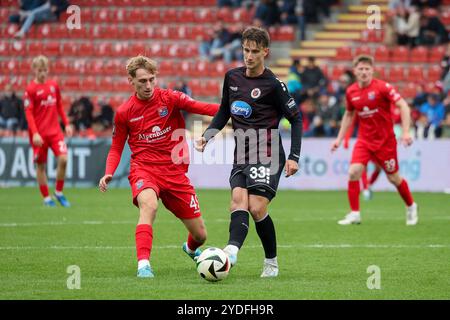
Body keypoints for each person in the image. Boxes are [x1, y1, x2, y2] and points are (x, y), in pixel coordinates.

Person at [98, 56, 219, 278]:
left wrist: (233, 110)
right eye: (142, 81)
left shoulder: (170, 98)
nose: (148, 85)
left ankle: (191, 249)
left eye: (151, 79)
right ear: (131, 81)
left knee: (201, 235)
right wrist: (109, 172)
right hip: (144, 169)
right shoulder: (125, 112)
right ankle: (143, 264)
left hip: (175, 173)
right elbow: (116, 148)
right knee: (149, 206)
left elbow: (201, 107)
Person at [195, 27, 303, 277]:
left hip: (268, 153)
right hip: (241, 153)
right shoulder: (232, 77)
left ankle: (270, 262)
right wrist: (207, 136)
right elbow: (224, 111)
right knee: (237, 203)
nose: (249, 56)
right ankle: (231, 252)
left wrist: (294, 157)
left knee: (256, 207)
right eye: (246, 50)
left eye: (255, 51)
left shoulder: (274, 85)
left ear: (265, 52)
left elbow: (296, 118)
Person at [331, 54, 418, 226]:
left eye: (367, 69)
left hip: (385, 142)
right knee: (353, 172)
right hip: (364, 140)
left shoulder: (383, 87)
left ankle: (411, 205)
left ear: (372, 71)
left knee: (394, 179)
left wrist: (406, 132)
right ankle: (355, 213)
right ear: (355, 71)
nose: (364, 72)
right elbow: (349, 115)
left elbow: (403, 106)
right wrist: (339, 139)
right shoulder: (351, 91)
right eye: (361, 69)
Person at [23, 55, 74, 207]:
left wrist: (67, 124)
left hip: (55, 132)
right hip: (39, 135)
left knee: (64, 159)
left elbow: (59, 106)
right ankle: (46, 198)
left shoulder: (53, 86)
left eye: (45, 70)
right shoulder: (30, 89)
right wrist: (35, 133)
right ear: (34, 70)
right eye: (40, 70)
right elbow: (29, 113)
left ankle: (58, 193)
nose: (43, 73)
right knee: (40, 165)